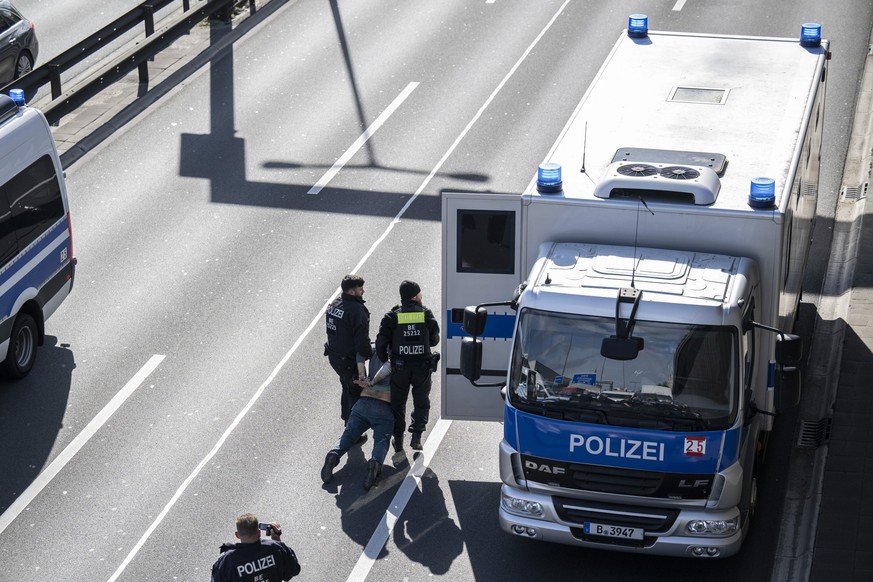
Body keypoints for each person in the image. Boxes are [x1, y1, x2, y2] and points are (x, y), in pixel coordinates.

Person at [376, 280, 440, 452]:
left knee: (397, 404)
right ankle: (417, 437)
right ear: (414, 296)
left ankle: (398, 440)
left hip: (399, 368)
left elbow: (381, 343)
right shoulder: (426, 314)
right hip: (422, 368)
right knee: (421, 401)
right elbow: (434, 340)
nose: (421, 296)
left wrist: (386, 361)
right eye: (420, 293)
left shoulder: (392, 316)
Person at [321, 349, 394, 490]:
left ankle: (333, 455)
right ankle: (375, 465)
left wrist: (362, 375)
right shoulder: (399, 351)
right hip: (384, 406)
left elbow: (360, 352)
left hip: (363, 402)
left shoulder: (375, 347)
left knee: (349, 435)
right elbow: (391, 366)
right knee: (381, 440)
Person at [325, 274, 373, 436]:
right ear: (352, 292)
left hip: (336, 357)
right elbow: (361, 341)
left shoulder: (334, 305)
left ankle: (347, 421)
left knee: (347, 387)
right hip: (349, 361)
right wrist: (370, 354)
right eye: (360, 289)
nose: (363, 291)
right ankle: (353, 431)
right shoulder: (357, 311)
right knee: (356, 393)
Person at [211, 513, 300, 582]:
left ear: (237, 535)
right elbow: (293, 570)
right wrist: (277, 539)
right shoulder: (277, 548)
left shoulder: (228, 560)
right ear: (259, 532)